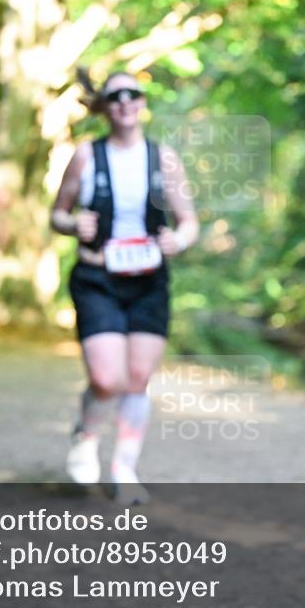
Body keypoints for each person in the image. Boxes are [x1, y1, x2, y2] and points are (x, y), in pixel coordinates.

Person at [50, 72, 199, 505]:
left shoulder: (163, 158)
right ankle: (86, 433)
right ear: (104, 106)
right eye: (115, 96)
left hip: (149, 281)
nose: (125, 102)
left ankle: (123, 469)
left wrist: (179, 240)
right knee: (105, 379)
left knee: (137, 378)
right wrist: (74, 224)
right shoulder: (86, 156)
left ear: (143, 102)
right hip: (98, 277)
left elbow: (188, 221)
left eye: (133, 93)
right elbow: (57, 214)